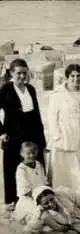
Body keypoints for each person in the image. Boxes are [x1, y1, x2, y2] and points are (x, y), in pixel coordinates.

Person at [0, 58, 46, 209]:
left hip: (32, 132)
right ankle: (13, 200)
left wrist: (42, 139)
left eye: (24, 73)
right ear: (12, 73)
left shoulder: (31, 89)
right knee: (13, 167)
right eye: (18, 73)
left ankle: (37, 196)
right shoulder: (5, 89)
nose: (22, 76)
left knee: (35, 164)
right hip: (13, 134)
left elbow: (37, 114)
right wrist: (1, 132)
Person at [46, 64, 80, 190]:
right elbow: (52, 117)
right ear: (67, 77)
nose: (75, 79)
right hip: (64, 134)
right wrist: (56, 136)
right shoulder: (58, 94)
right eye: (72, 76)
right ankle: (63, 191)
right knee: (65, 168)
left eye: (78, 76)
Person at [13, 142, 48, 223]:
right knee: (42, 212)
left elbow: (45, 182)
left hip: (42, 196)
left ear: (37, 152)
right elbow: (26, 192)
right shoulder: (22, 169)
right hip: (29, 199)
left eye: (33, 152)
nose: (31, 155)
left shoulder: (39, 164)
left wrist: (47, 195)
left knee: (55, 204)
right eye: (28, 153)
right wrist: (40, 200)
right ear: (22, 154)